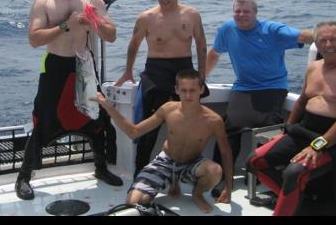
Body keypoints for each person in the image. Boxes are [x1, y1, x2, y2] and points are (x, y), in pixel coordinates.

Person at [15, 0, 123, 201]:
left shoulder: (92, 0)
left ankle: (100, 168)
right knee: (43, 119)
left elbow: (111, 35)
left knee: (96, 117)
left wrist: (92, 21)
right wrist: (65, 25)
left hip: (84, 63)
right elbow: (34, 39)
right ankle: (24, 176)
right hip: (55, 66)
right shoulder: (44, 3)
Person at [248, 21, 336, 216]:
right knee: (256, 161)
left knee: (293, 173)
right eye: (323, 40)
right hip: (304, 130)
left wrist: (317, 146)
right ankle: (300, 203)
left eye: (334, 39)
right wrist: (286, 130)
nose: (328, 45)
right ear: (316, 44)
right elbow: (302, 101)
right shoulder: (314, 67)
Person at [94, 69, 233, 213]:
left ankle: (197, 194)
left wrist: (228, 188)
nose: (187, 95)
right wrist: (107, 105)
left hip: (192, 162)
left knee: (215, 171)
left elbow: (226, 153)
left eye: (192, 90)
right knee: (133, 202)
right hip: (165, 162)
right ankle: (170, 180)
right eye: (183, 90)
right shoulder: (168, 110)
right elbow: (133, 132)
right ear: (176, 90)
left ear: (202, 89)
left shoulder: (214, 120)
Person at [206, 0, 313, 177]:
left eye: (246, 11)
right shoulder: (227, 29)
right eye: (237, 11)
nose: (241, 15)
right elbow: (214, 53)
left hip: (272, 88)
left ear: (255, 13)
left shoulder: (271, 30)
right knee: (228, 128)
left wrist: (334, 37)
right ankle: (221, 177)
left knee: (272, 131)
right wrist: (202, 79)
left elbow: (305, 36)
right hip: (243, 88)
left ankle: (270, 179)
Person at [114, 0, 209, 177]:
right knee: (148, 128)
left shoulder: (192, 15)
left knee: (187, 126)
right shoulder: (146, 17)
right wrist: (128, 70)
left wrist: (201, 74)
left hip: (184, 71)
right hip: (156, 73)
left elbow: (201, 44)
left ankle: (186, 172)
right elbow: (133, 45)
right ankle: (140, 172)